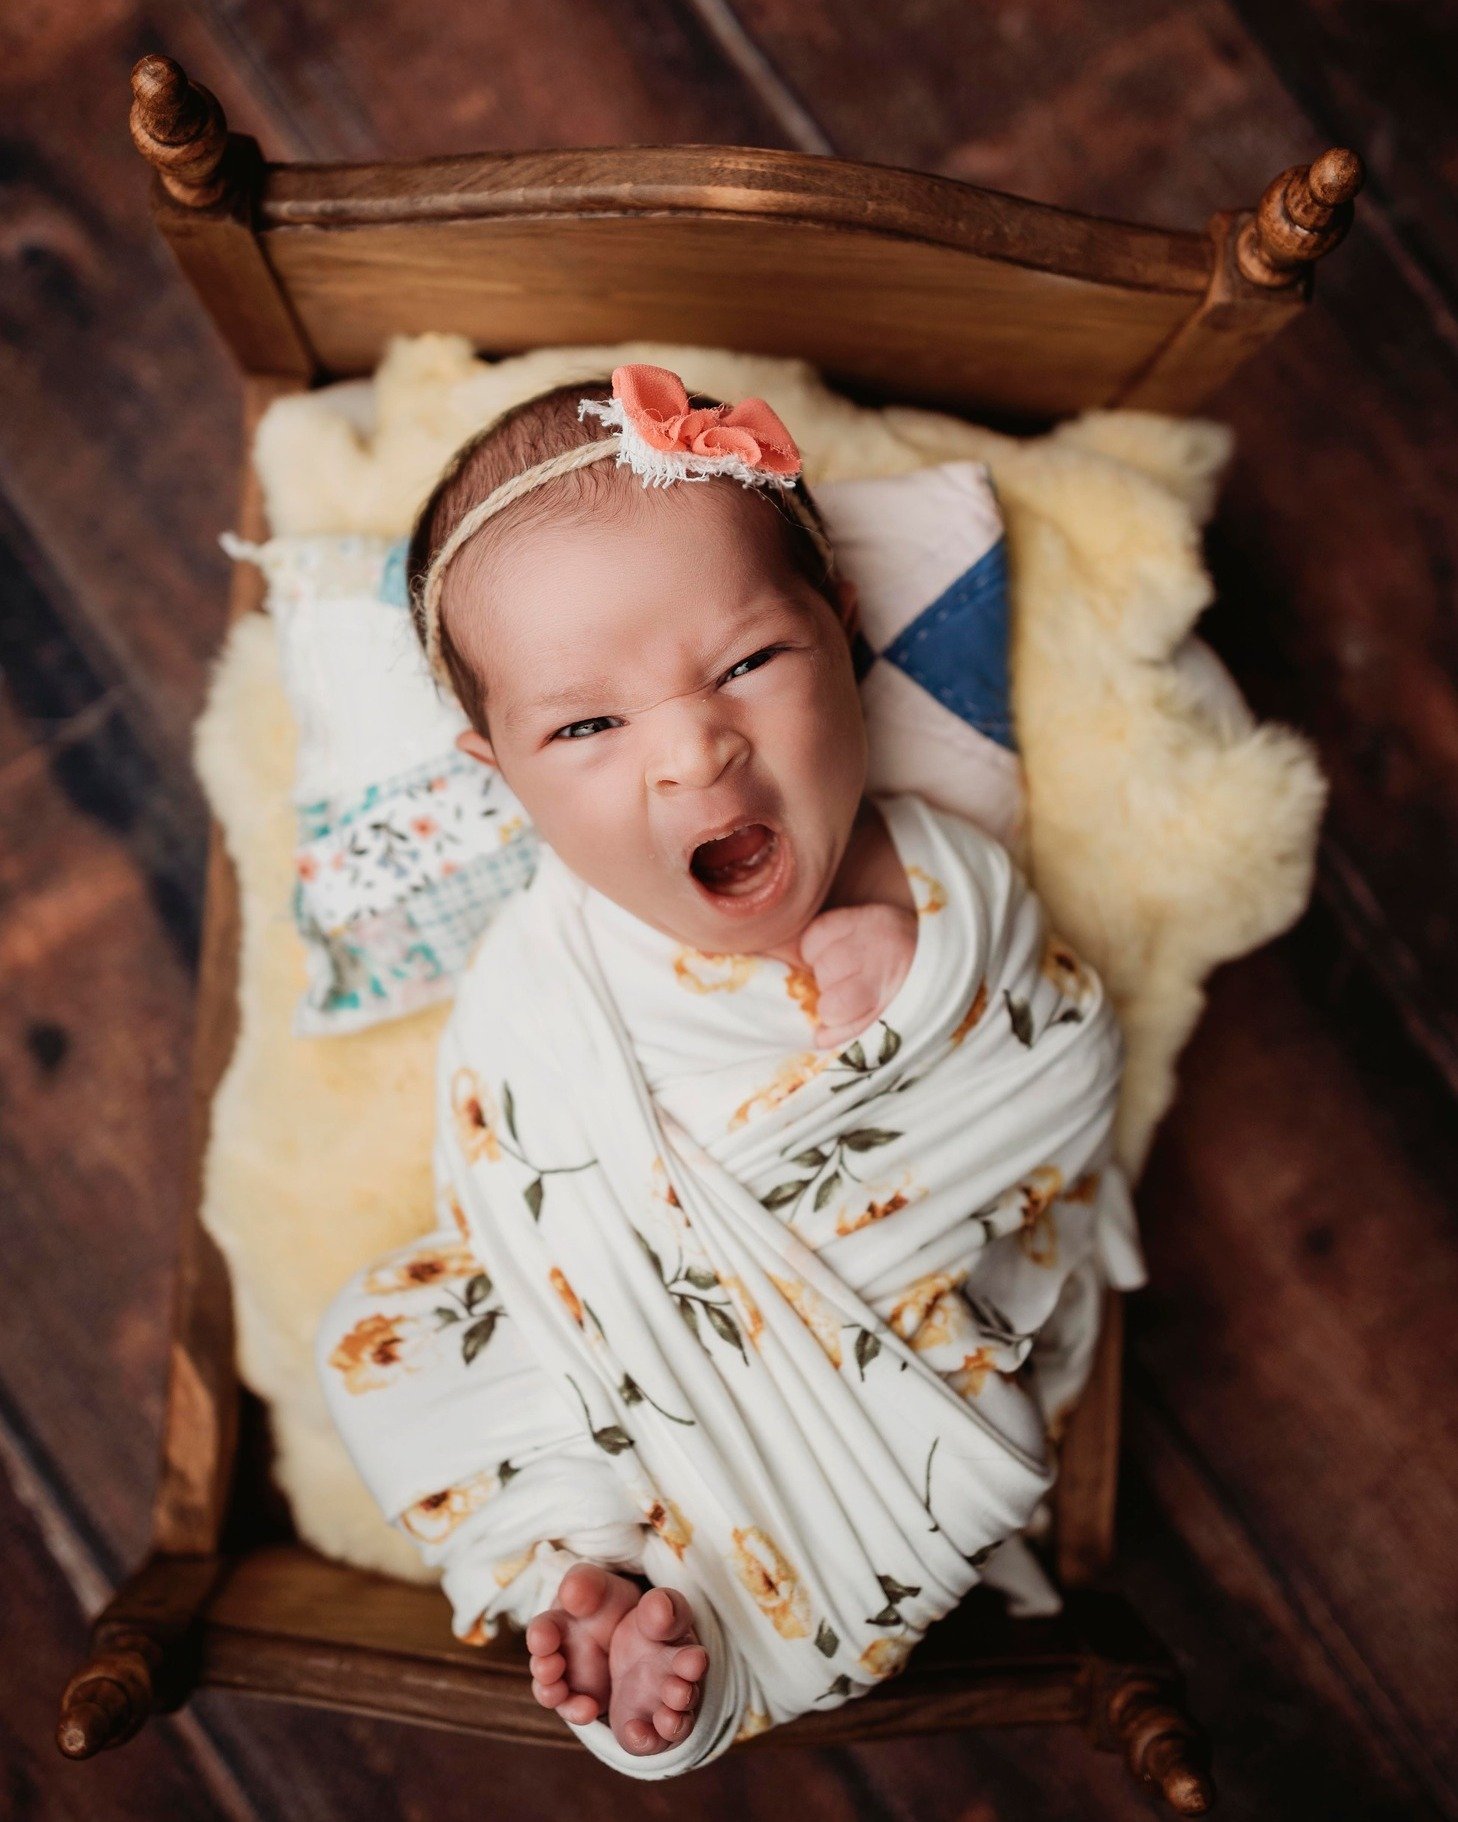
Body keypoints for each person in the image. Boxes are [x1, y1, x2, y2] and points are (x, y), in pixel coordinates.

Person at [316, 365, 1143, 1776]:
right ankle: (581, 1580)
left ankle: (669, 1617)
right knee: (386, 1334)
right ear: (502, 772)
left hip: (881, 1360)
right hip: (609, 1350)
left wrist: (924, 1011)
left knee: (977, 1346)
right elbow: (504, 1189)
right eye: (586, 727)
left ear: (848, 633)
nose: (693, 746)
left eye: (748, 662)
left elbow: (1068, 1060)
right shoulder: (544, 975)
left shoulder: (954, 891)